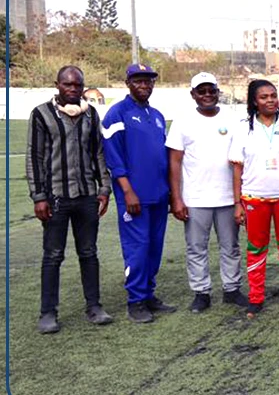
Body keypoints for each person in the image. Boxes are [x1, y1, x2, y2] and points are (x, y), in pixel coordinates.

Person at [28, 65, 114, 333]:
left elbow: (98, 152)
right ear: (58, 85)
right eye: (68, 85)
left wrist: (104, 188)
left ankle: (94, 306)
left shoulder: (90, 114)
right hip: (55, 197)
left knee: (89, 253)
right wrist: (39, 196)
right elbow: (35, 158)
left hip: (87, 195)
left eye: (78, 85)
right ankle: (48, 313)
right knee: (53, 255)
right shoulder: (41, 114)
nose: (73, 89)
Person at [167, 72, 248, 314]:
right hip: (195, 197)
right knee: (196, 247)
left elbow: (241, 159)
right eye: (201, 91)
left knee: (230, 245)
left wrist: (240, 198)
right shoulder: (182, 121)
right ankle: (201, 292)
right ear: (193, 94)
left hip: (228, 196)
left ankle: (232, 289)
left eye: (211, 90)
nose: (207, 95)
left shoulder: (233, 119)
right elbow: (174, 162)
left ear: (217, 91)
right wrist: (177, 198)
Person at [102, 63, 175, 323]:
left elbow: (162, 156)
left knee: (154, 248)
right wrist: (127, 191)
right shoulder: (117, 113)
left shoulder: (155, 114)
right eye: (139, 81)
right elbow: (113, 157)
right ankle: (135, 302)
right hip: (133, 197)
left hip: (158, 195)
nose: (144, 85)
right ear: (128, 83)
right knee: (138, 248)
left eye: (149, 81)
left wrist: (168, 191)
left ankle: (148, 295)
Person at [230, 79, 279, 317]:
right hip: (254, 198)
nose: (270, 100)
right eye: (264, 97)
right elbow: (237, 169)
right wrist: (237, 204)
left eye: (273, 95)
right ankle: (256, 297)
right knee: (256, 249)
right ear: (254, 101)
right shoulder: (243, 127)